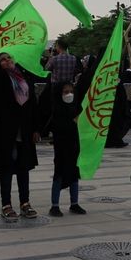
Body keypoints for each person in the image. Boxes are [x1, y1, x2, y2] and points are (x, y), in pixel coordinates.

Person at [0, 30, 39, 220]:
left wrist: (35, 128)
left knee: (23, 167)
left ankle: (25, 203)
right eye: (3, 59)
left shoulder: (23, 78)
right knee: (7, 167)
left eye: (9, 58)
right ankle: (6, 204)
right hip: (7, 131)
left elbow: (32, 104)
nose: (7, 61)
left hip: (24, 130)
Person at [48, 82, 87, 217]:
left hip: (74, 145)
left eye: (71, 91)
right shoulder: (56, 109)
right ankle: (54, 205)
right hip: (61, 147)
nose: (69, 94)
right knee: (59, 173)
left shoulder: (76, 107)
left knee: (74, 173)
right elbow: (58, 127)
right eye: (65, 92)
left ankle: (74, 203)